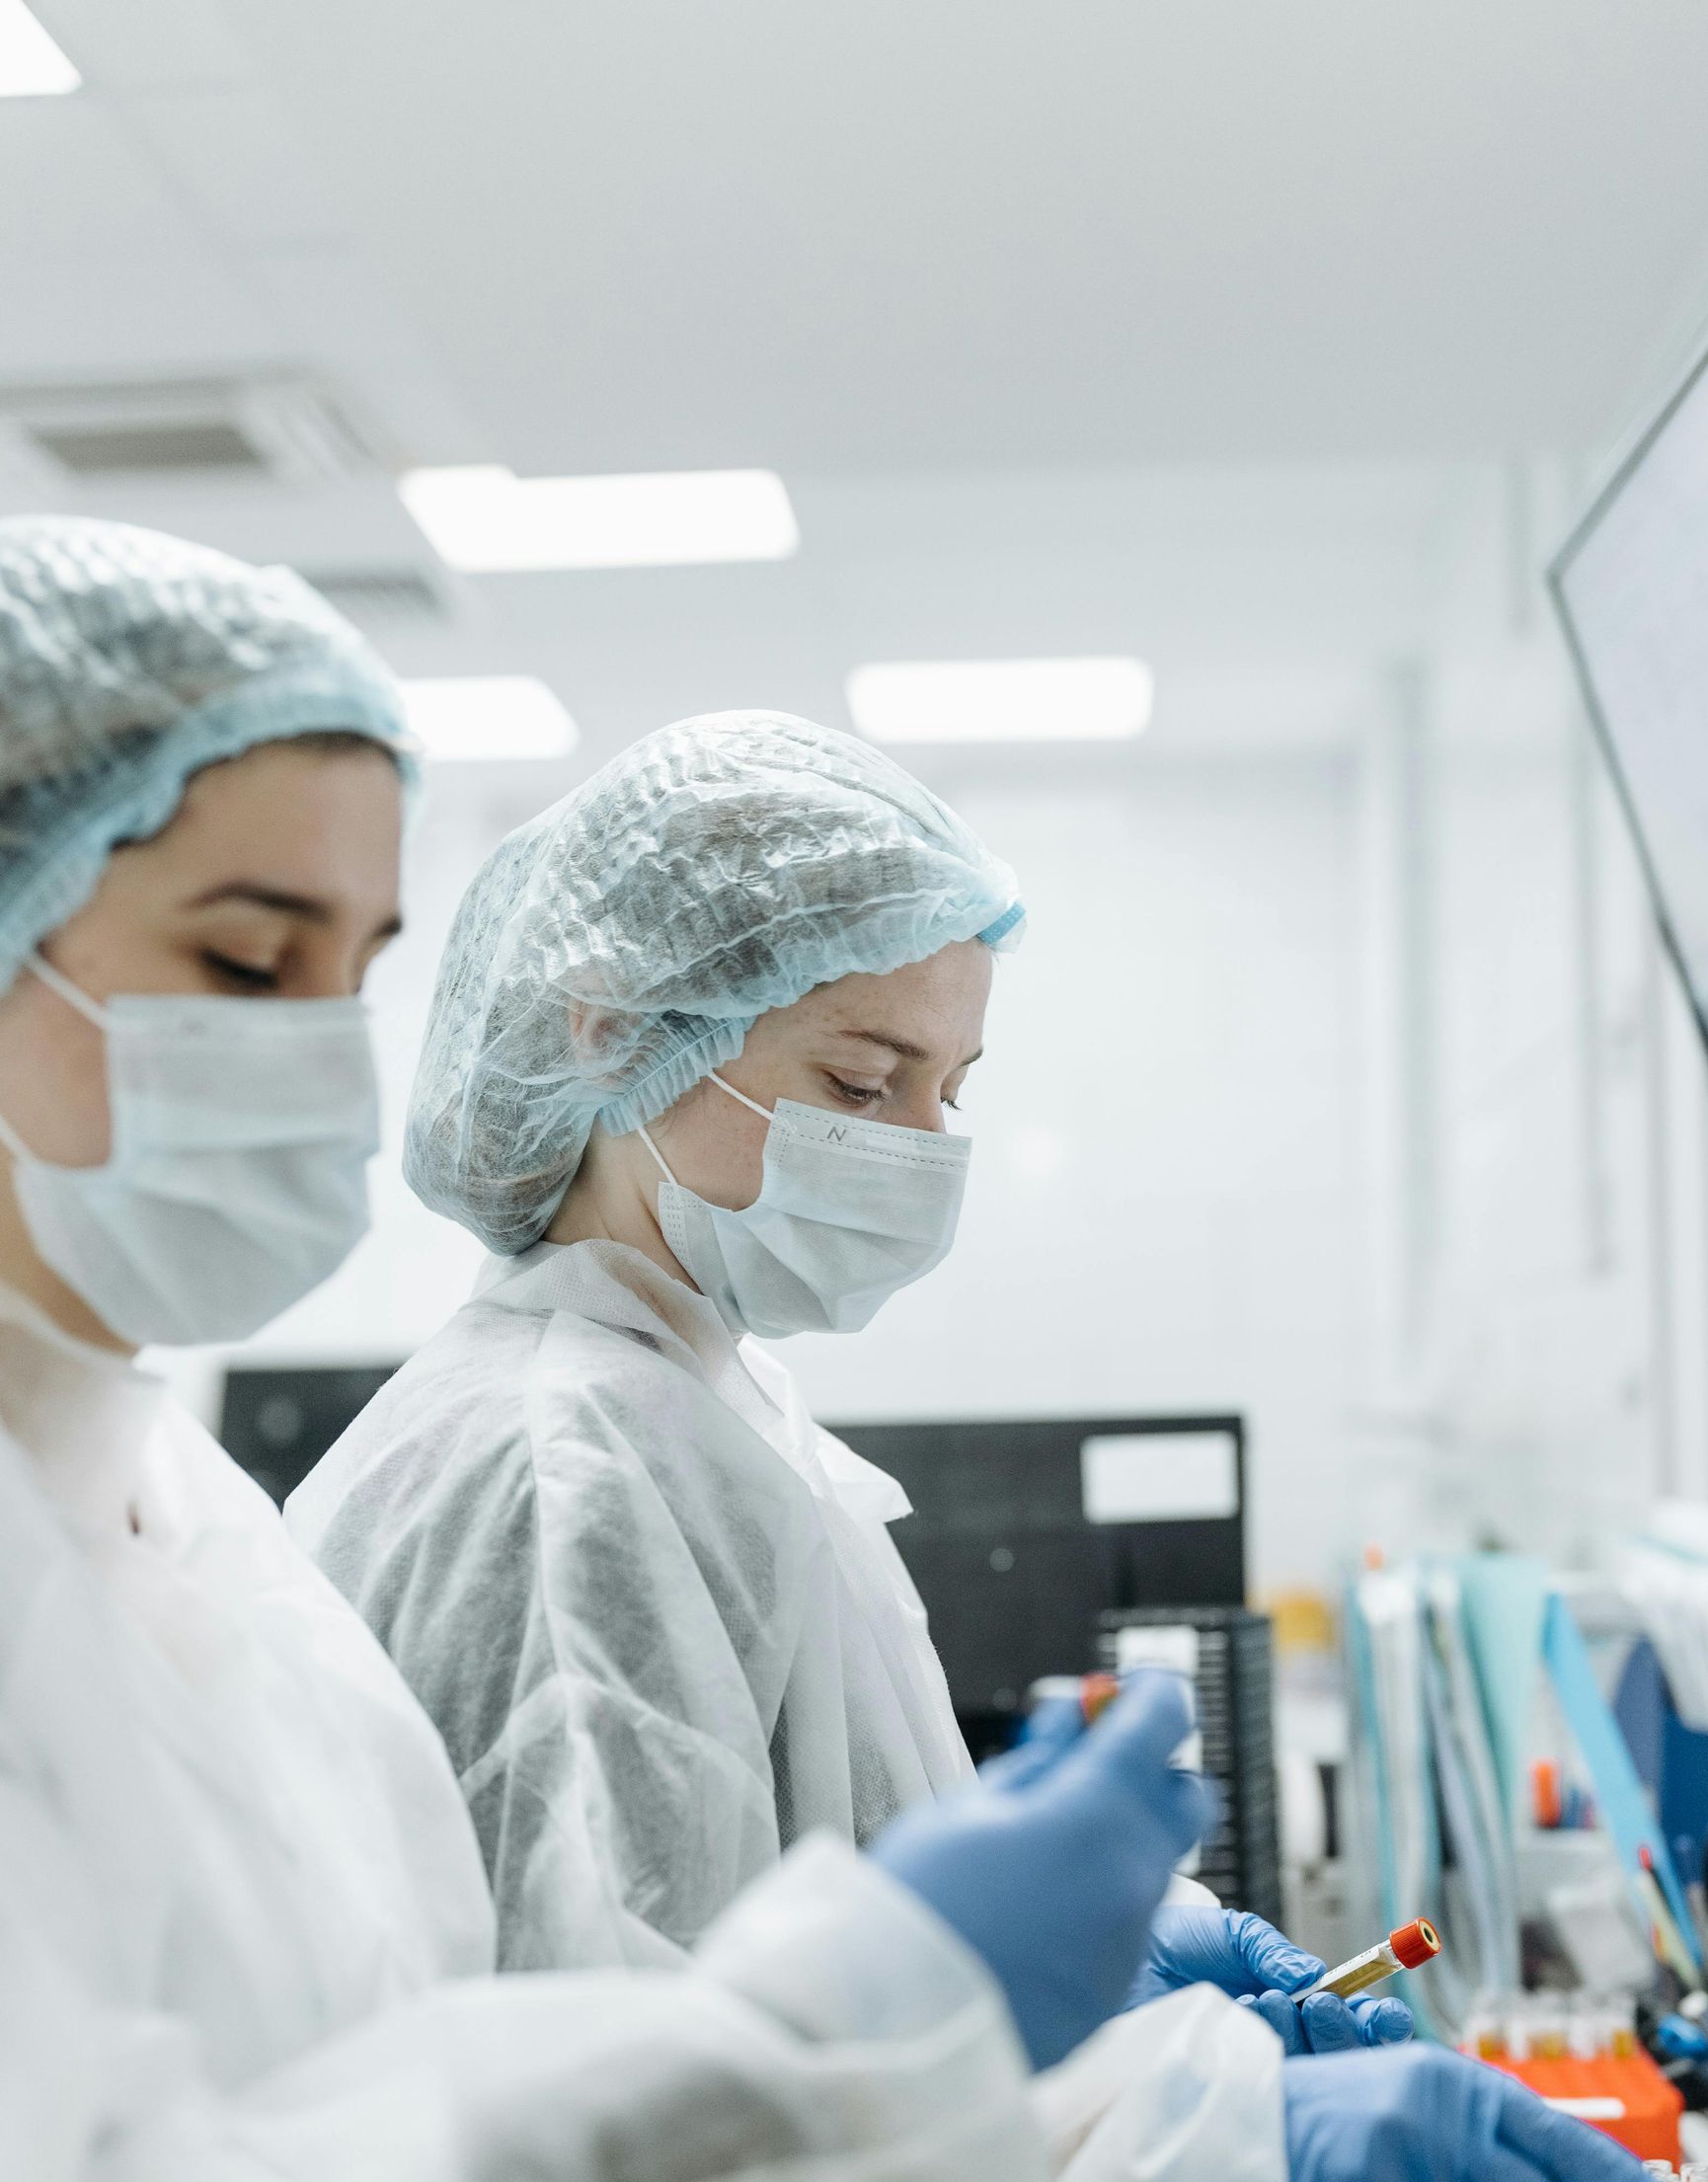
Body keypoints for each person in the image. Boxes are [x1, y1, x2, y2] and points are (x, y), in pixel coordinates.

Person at [0, 515, 1669, 2182]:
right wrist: (927, 2002)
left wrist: (1176, 2127)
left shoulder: (169, 1510)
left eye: (350, 969)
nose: (316, 1065)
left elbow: (436, 2119)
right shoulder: (522, 1467)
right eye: (242, 956)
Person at [288, 713, 1408, 2065]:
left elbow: (777, 1916)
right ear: (610, 1030)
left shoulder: (696, 1397)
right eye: (863, 1079)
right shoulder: (564, 1471)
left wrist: (1023, 1968)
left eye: (952, 1086)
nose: (926, 1146)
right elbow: (645, 2107)